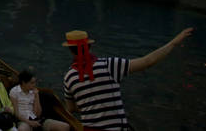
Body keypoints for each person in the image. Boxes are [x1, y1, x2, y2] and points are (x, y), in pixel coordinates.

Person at [62, 28, 193, 131]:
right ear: (89, 46)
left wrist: (90, 105)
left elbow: (71, 108)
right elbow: (148, 61)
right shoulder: (110, 65)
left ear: (70, 50)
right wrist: (174, 42)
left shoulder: (69, 77)